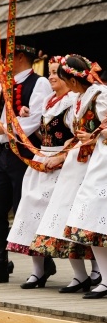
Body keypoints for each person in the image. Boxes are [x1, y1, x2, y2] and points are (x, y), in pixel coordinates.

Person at [0, 42, 52, 284]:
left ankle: (41, 263)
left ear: (19, 57)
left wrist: (7, 130)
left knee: (24, 207)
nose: (2, 63)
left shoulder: (39, 82)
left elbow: (38, 119)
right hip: (2, 153)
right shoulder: (3, 84)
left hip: (24, 153)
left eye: (6, 58)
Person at [30, 54, 105, 293]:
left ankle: (101, 277)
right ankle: (82, 275)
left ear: (74, 79)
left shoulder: (100, 95)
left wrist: (93, 136)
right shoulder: (79, 98)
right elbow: (77, 130)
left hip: (97, 160)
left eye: (66, 78)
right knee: (69, 216)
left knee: (90, 216)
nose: (66, 84)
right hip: (78, 161)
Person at [6, 56, 76, 289]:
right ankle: (38, 271)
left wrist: (60, 156)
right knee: (30, 209)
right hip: (41, 158)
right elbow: (42, 133)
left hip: (64, 161)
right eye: (50, 73)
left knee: (64, 215)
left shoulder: (74, 102)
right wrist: (26, 117)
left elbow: (75, 136)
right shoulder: (48, 101)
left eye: (56, 73)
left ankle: (88, 273)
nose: (52, 77)